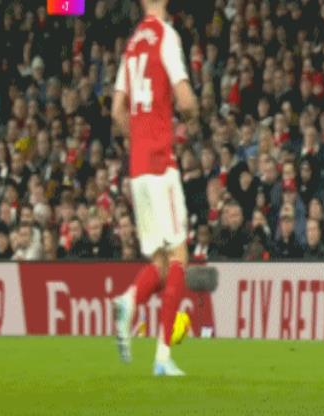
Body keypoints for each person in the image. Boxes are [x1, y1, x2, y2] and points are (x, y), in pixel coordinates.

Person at [111, 0, 199, 376]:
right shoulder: (166, 36)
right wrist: (194, 114)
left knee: (161, 262)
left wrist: (138, 142)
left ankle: (129, 299)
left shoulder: (132, 44)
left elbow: (117, 110)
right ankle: (162, 357)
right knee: (179, 254)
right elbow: (185, 98)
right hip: (162, 163)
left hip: (138, 168)